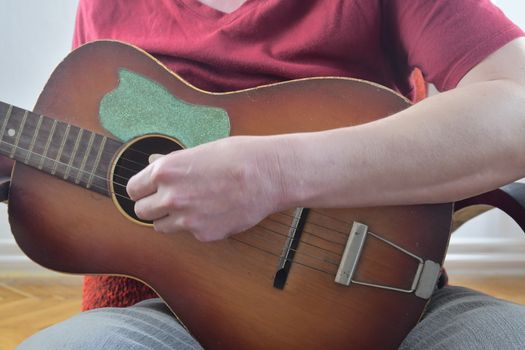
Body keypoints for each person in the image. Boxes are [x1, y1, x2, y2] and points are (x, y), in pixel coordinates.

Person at [17, 0, 525, 349]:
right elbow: (81, 166)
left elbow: (517, 108)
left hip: (390, 312)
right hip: (168, 321)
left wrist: (276, 174)